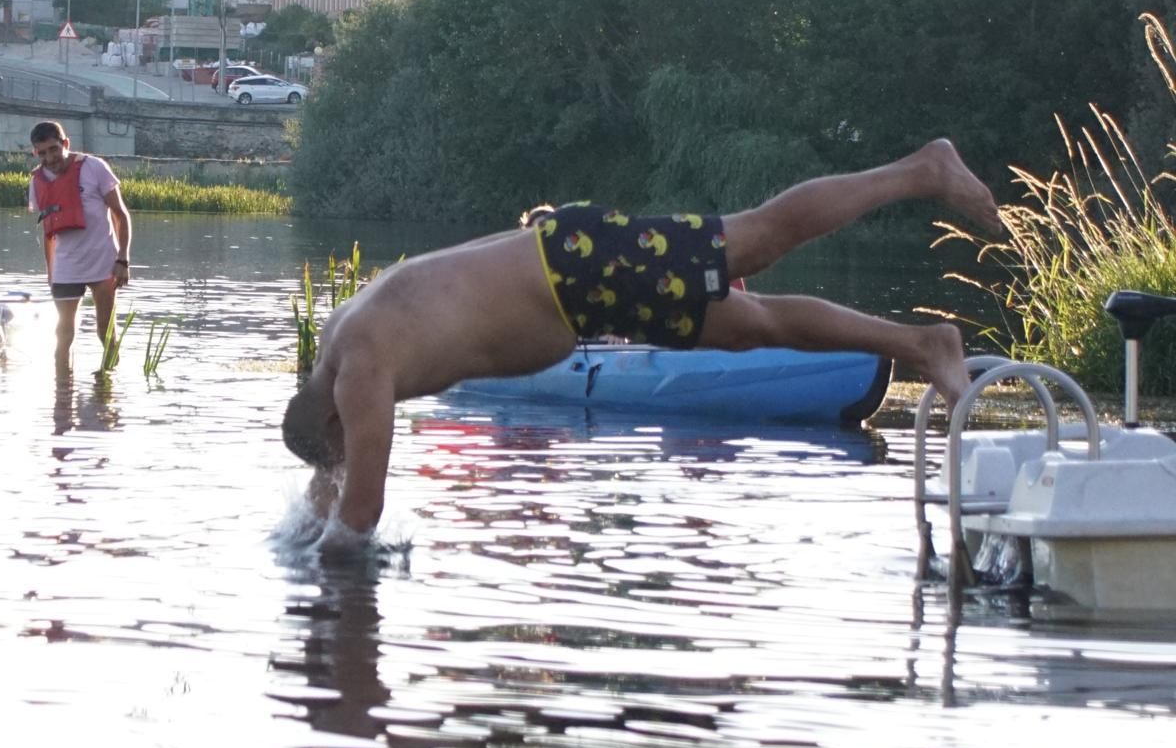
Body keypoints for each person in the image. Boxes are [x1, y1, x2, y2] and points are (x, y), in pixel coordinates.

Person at [283, 138, 1005, 537]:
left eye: (341, 447)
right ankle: (920, 345)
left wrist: (314, 569)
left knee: (755, 240)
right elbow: (335, 480)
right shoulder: (339, 345)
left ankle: (920, 169)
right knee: (756, 326)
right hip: (575, 282)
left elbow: (363, 514)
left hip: (577, 268)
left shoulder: (358, 374)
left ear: (335, 421)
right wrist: (313, 508)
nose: (350, 453)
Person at [27, 121, 133, 373]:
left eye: (54, 149)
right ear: (35, 153)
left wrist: (123, 260)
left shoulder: (94, 167)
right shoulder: (37, 181)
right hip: (66, 264)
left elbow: (120, 214)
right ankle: (63, 394)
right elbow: (49, 231)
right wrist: (50, 273)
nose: (50, 158)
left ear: (65, 144)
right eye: (42, 153)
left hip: (103, 261)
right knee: (63, 334)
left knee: (105, 331)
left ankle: (107, 387)